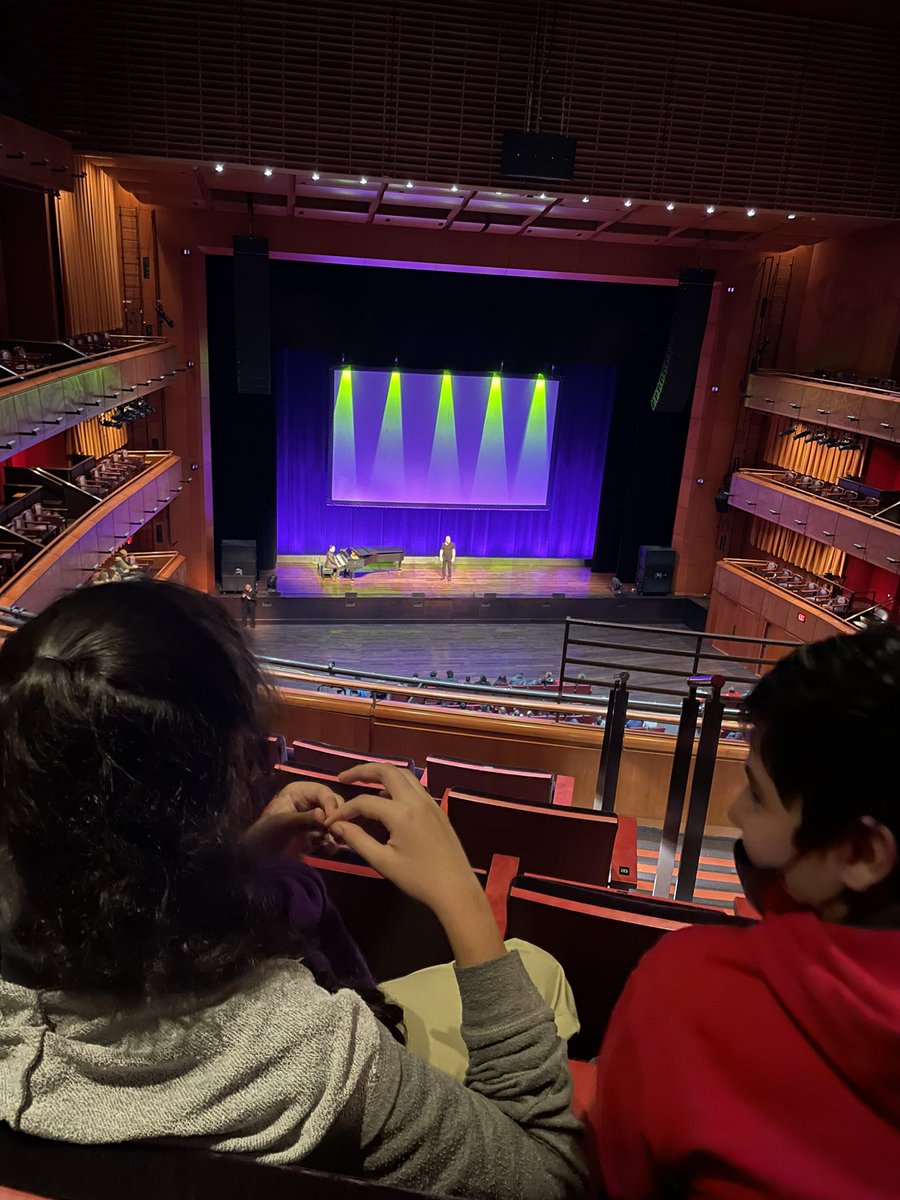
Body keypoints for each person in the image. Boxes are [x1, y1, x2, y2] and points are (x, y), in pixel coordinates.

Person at [0, 582, 585, 1199]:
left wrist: (243, 850)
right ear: (217, 787)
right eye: (249, 755)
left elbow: (102, 888)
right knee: (536, 969)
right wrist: (460, 896)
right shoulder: (312, 1056)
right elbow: (549, 1176)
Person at [592, 625, 900, 1200]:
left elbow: (614, 1178)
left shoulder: (691, 988)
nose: (733, 810)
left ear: (860, 853)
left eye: (757, 794)